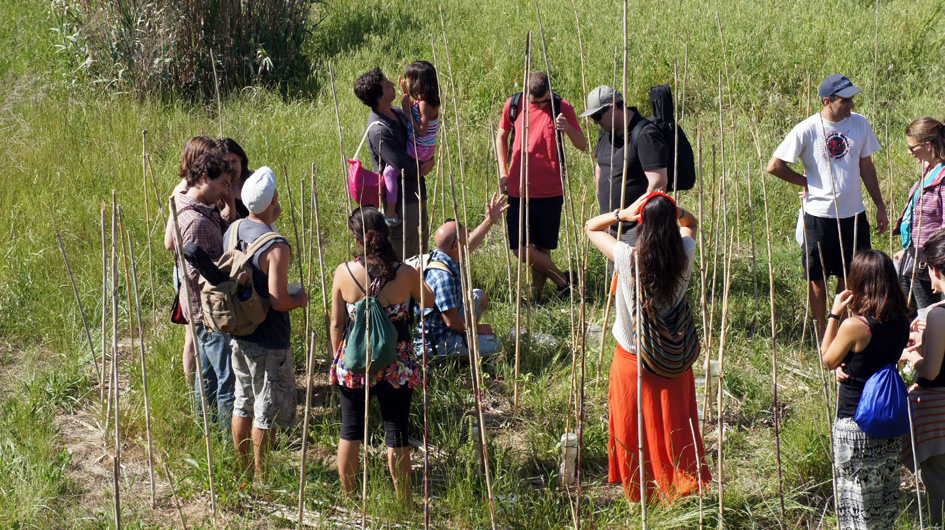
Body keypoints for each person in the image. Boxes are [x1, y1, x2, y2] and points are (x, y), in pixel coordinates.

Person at [584, 191, 710, 502]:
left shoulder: (628, 257)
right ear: (670, 223)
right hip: (674, 357)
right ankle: (678, 484)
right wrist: (672, 208)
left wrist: (622, 213)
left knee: (634, 429)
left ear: (643, 225)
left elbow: (590, 227)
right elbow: (691, 222)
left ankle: (642, 495)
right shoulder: (686, 251)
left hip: (632, 359)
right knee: (674, 426)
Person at [767, 74, 888, 337]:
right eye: (845, 100)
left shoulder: (860, 124)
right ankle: (822, 335)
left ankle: (844, 332)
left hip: (854, 216)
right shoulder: (807, 129)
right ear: (827, 101)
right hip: (818, 218)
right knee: (817, 281)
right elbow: (774, 166)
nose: (851, 105)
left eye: (852, 99)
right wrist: (806, 181)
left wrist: (879, 205)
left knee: (851, 279)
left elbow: (866, 166)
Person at [329, 206, 434, 501]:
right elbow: (429, 300)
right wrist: (415, 274)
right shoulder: (404, 273)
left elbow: (337, 323)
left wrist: (336, 358)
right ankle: (403, 499)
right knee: (397, 432)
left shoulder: (344, 272)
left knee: (350, 430)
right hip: (396, 362)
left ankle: (349, 497)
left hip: (354, 362)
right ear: (386, 233)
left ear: (356, 238)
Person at [225, 167, 308, 481]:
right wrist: (300, 298)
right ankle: (263, 476)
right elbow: (278, 300)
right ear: (272, 199)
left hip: (239, 331)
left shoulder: (232, 231)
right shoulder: (276, 246)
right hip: (269, 338)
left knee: (242, 401)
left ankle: (243, 469)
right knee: (265, 409)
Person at [820, 249, 909, 529]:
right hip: (889, 422)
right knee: (883, 504)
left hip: (855, 423)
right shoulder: (902, 321)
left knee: (856, 507)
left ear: (858, 281)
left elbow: (827, 358)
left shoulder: (855, 326)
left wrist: (834, 314)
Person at [495, 70, 587, 301]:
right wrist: (502, 173)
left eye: (543, 99)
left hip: (549, 189)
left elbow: (583, 144)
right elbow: (501, 137)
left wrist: (567, 129)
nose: (540, 104)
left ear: (549, 91)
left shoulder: (561, 106)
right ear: (527, 92)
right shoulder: (514, 104)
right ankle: (565, 281)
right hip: (517, 188)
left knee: (542, 249)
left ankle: (535, 297)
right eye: (535, 101)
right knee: (520, 248)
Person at [174, 150, 237, 432]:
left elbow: (218, 235)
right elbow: (197, 275)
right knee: (227, 378)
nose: (226, 189)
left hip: (201, 311)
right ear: (203, 178)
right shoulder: (195, 221)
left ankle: (205, 430)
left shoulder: (201, 209)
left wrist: (230, 209)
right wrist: (230, 274)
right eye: (223, 183)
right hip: (208, 313)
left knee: (207, 376)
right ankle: (225, 439)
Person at [354, 67, 436, 260]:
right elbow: (402, 165)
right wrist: (426, 165)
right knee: (407, 252)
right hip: (402, 203)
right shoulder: (378, 129)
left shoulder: (397, 112)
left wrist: (430, 158)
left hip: (416, 191)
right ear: (379, 97)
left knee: (421, 245)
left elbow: (420, 137)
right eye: (386, 84)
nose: (392, 84)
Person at [418, 192, 508, 361]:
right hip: (439, 342)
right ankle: (461, 355)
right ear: (455, 245)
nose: (468, 235)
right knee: (495, 344)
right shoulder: (443, 278)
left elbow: (469, 244)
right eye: (464, 234)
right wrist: (478, 329)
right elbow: (451, 322)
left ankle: (469, 343)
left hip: (446, 322)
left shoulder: (444, 255)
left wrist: (489, 221)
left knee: (478, 296)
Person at [580, 85, 669, 255]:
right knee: (618, 278)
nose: (596, 121)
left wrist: (634, 217)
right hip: (610, 222)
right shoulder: (606, 132)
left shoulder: (645, 134)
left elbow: (658, 184)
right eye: (593, 117)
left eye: (597, 115)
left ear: (613, 107)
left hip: (635, 228)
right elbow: (599, 168)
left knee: (634, 277)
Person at [165, 135, 219, 387]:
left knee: (196, 334)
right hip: (189, 268)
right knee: (192, 335)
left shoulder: (198, 188)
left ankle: (198, 389)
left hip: (193, 265)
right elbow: (169, 242)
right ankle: (192, 386)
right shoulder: (182, 191)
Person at [901, 228, 945, 525]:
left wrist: (910, 356)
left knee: (938, 482)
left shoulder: (938, 315)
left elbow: (931, 370)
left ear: (936, 270)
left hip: (938, 414)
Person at [378, 60, 441, 227]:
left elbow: (421, 130)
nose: (406, 83)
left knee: (390, 173)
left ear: (417, 83)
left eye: (409, 81)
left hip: (419, 150)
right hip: (423, 149)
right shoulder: (425, 101)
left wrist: (407, 110)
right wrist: (406, 95)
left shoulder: (424, 104)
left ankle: (390, 213)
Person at [893, 117, 945, 310]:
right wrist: (907, 249)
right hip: (913, 257)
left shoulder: (943, 178)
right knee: (905, 309)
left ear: (928, 146)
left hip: (927, 264)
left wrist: (935, 263)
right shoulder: (928, 170)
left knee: (925, 314)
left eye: (913, 147)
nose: (909, 152)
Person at [217, 137, 252, 219]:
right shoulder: (219, 191)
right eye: (227, 164)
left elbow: (275, 210)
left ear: (241, 158)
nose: (232, 168)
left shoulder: (253, 179)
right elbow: (228, 225)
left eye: (234, 161)